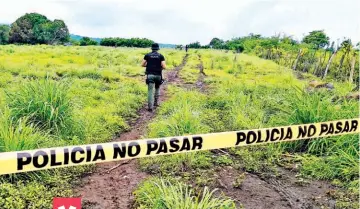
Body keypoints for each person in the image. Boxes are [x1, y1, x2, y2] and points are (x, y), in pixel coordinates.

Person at [141, 43, 166, 112]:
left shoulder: (147, 55)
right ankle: (156, 103)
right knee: (157, 88)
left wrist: (149, 65)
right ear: (158, 49)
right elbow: (164, 66)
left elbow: (142, 64)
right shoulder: (161, 56)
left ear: (151, 48)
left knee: (150, 91)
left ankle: (150, 107)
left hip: (150, 75)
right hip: (158, 75)